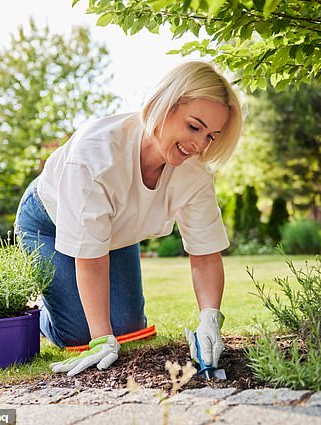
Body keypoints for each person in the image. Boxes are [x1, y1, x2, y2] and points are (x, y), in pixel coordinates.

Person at [15, 61, 243, 376]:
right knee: (79, 334)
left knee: (127, 327)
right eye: (194, 126)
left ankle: (70, 302)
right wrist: (100, 341)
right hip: (47, 221)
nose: (199, 145)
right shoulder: (94, 157)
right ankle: (42, 308)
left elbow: (205, 254)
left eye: (211, 137)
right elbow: (90, 259)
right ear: (165, 106)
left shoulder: (195, 172)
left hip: (113, 234)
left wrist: (210, 319)